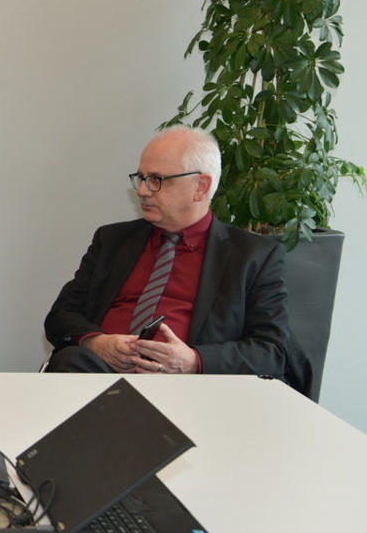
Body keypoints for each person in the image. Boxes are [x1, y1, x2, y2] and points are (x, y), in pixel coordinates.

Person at [43, 125, 307, 389]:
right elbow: (61, 315)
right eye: (141, 178)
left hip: (191, 390)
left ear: (201, 187)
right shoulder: (113, 240)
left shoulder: (253, 256)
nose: (142, 190)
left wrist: (194, 361)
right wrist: (97, 342)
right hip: (100, 376)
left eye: (157, 179)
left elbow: (272, 351)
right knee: (71, 360)